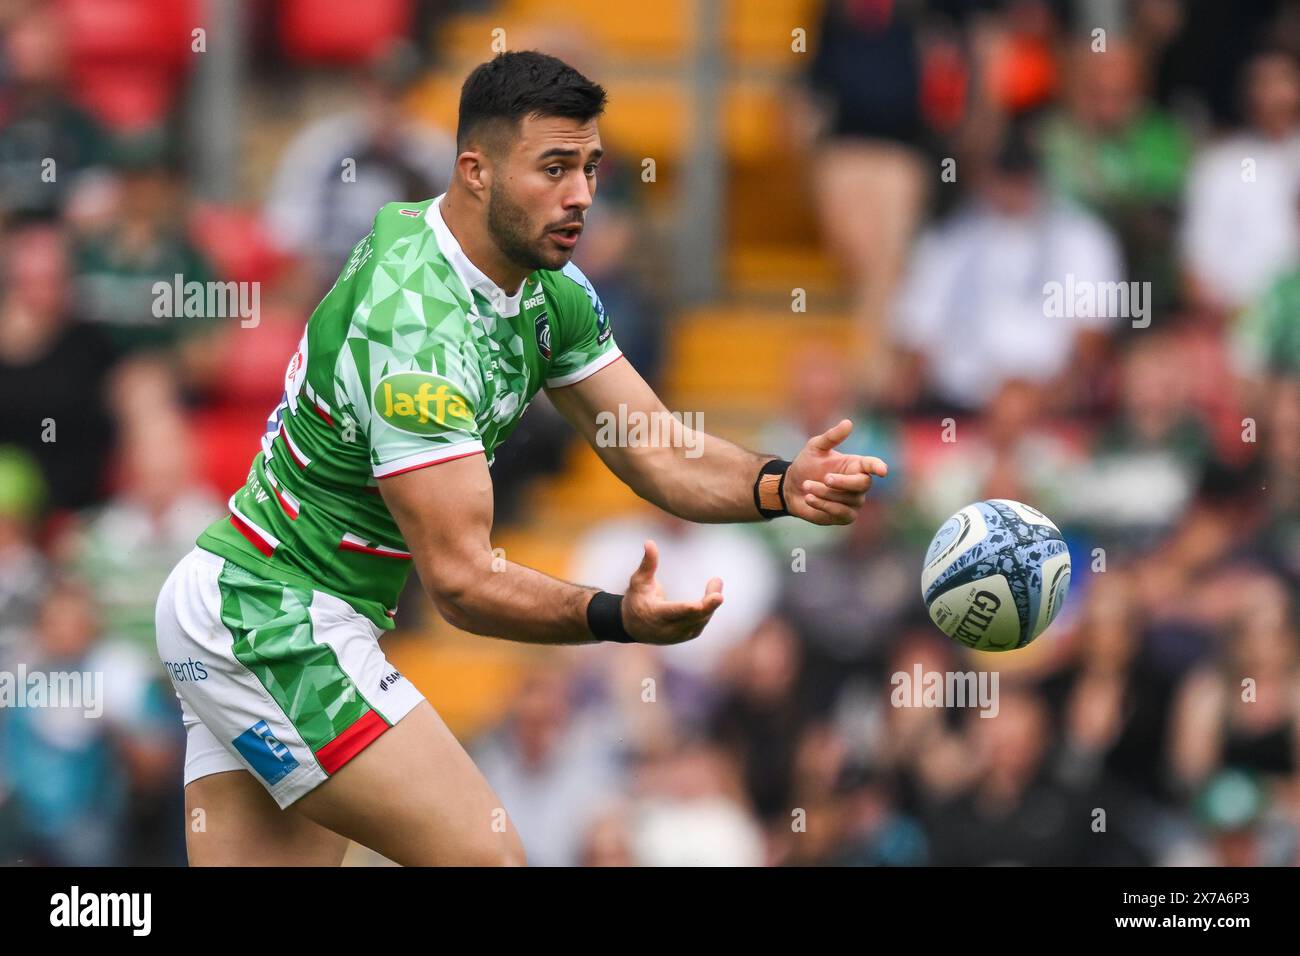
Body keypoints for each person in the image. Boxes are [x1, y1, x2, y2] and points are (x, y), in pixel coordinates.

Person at [154, 51, 890, 867]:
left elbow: (651, 444)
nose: (580, 195)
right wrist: (615, 617)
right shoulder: (417, 328)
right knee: (492, 857)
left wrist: (782, 482)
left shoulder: (545, 289)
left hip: (257, 610)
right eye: (553, 168)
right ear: (475, 171)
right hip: (272, 617)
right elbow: (464, 584)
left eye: (590, 168)